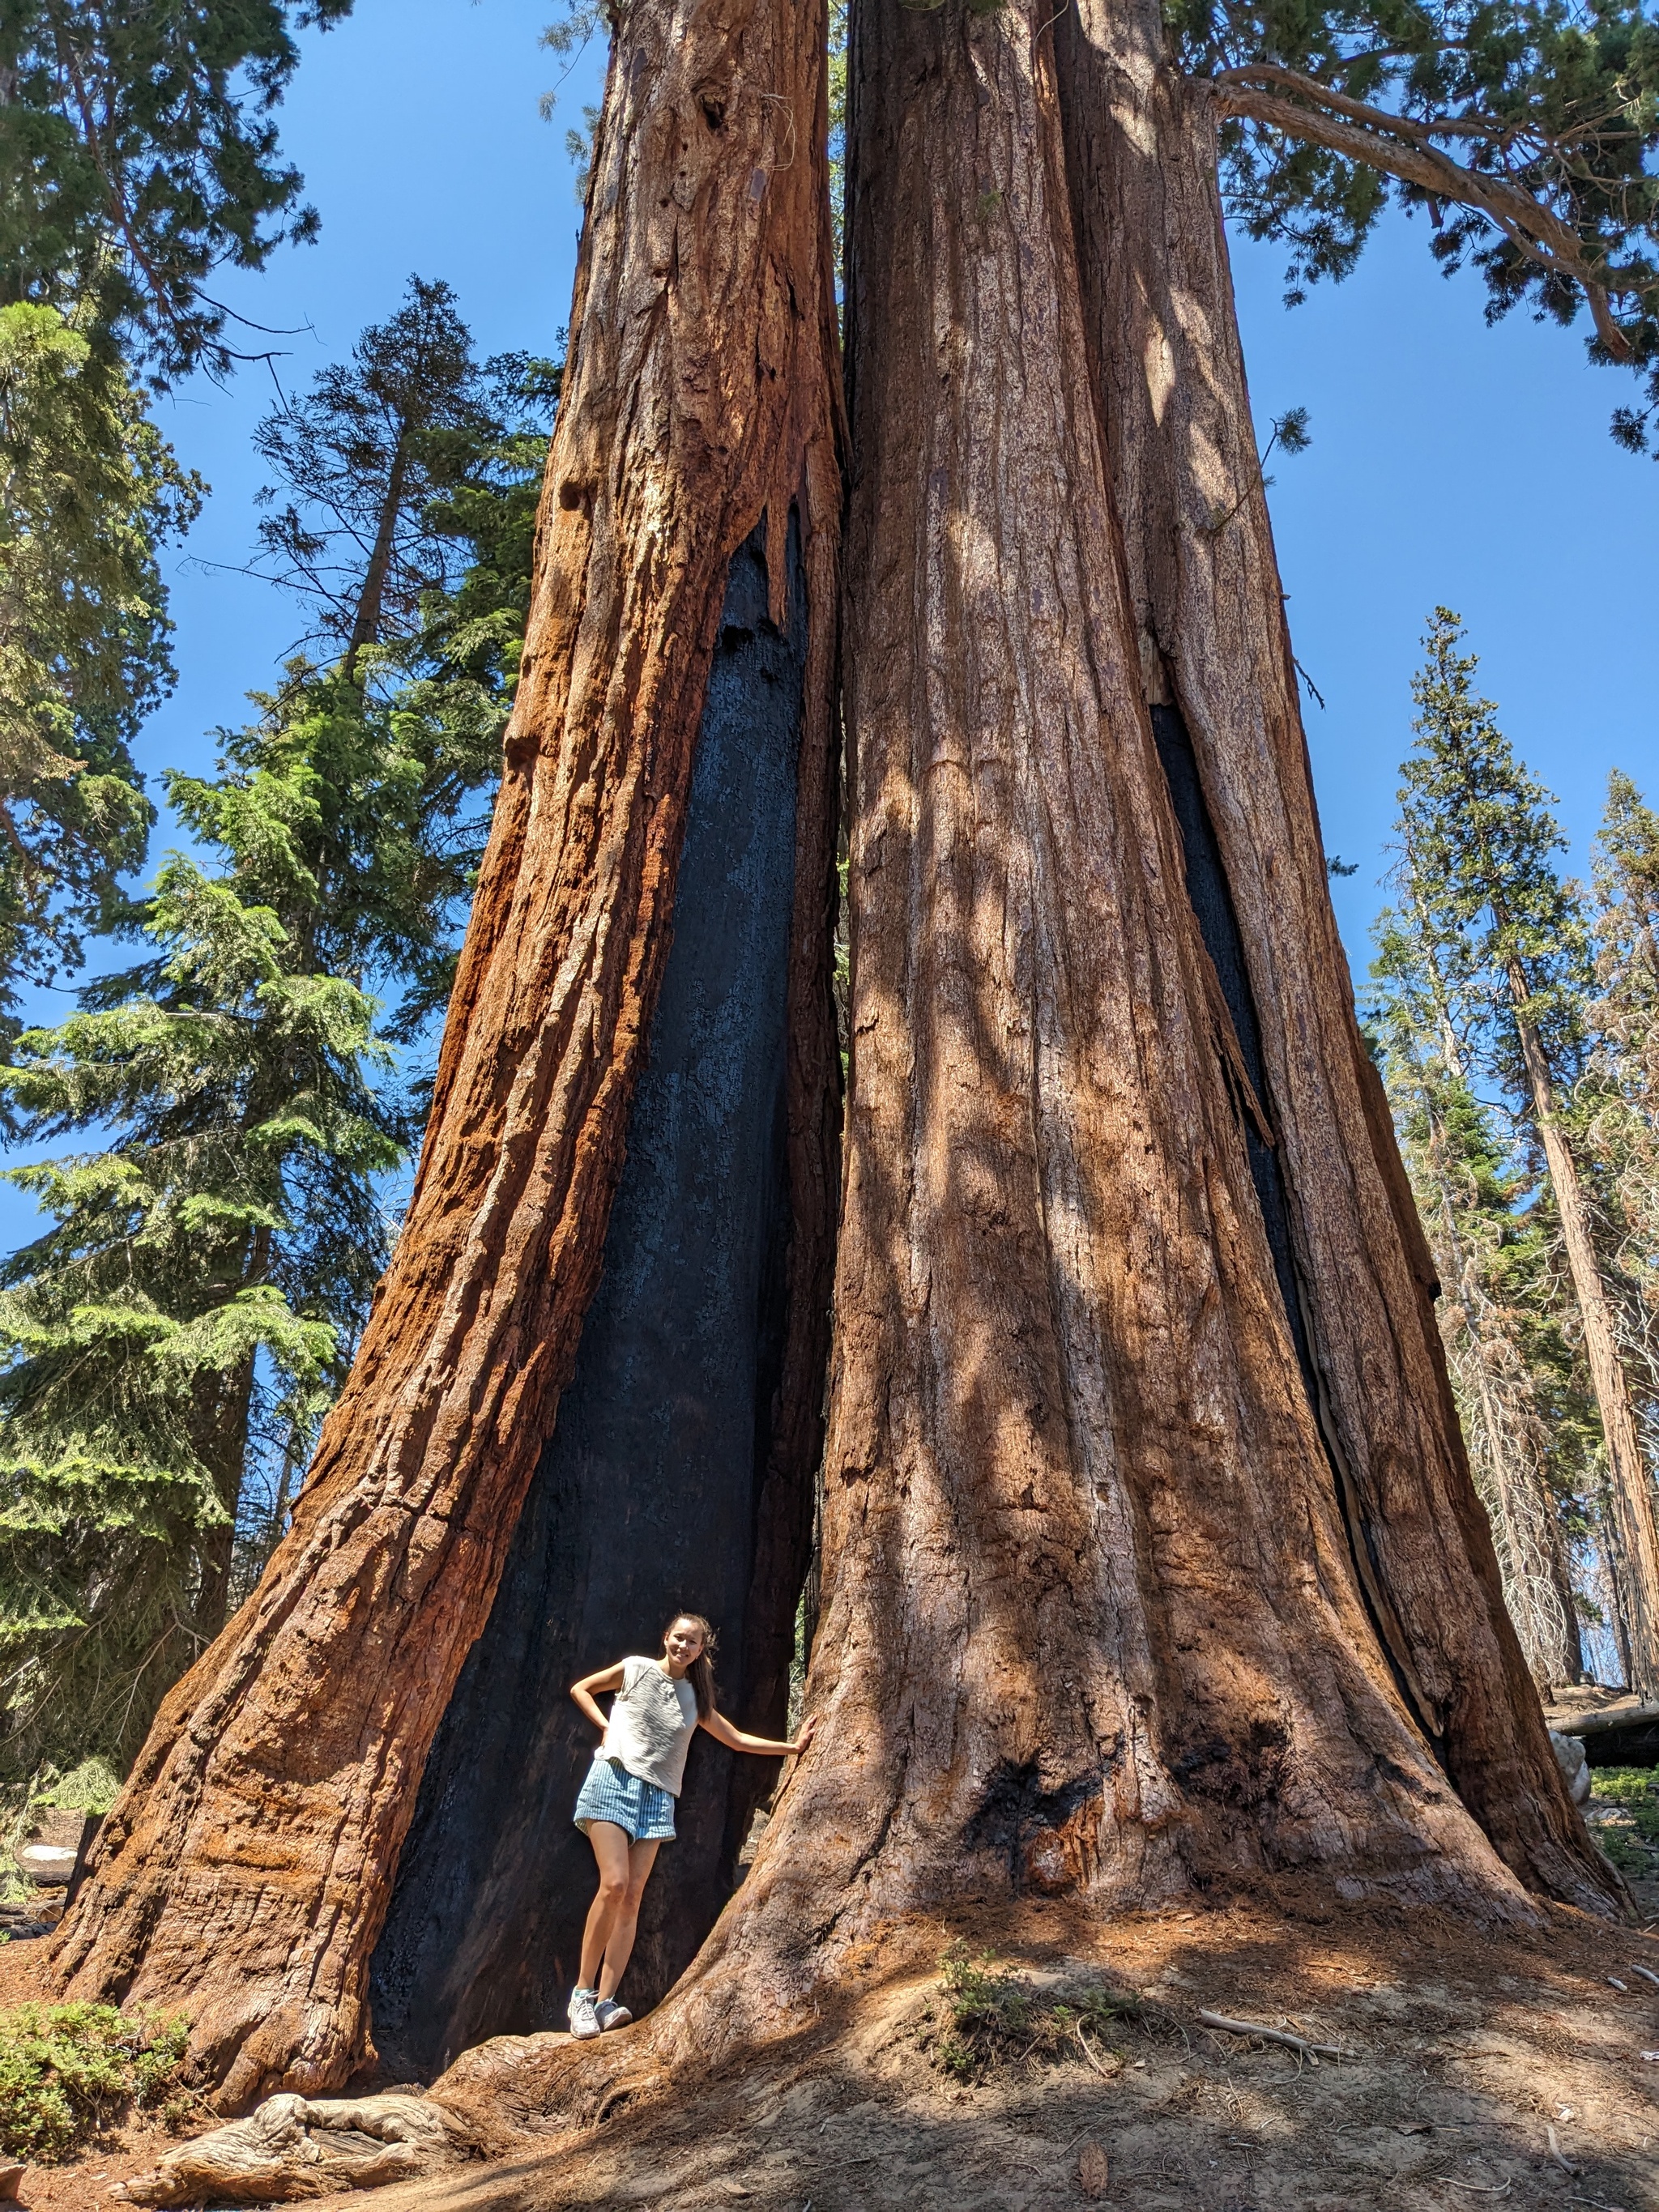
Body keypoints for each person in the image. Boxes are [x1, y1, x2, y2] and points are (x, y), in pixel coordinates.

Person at [565, 1611, 816, 2039]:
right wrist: (607, 1727)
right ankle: (581, 1996)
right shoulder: (635, 1669)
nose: (683, 1646)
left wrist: (792, 1747)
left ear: (701, 1650)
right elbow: (581, 1689)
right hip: (612, 1779)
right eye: (678, 1638)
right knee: (615, 1884)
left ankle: (606, 2001)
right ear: (666, 1637)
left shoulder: (695, 1700)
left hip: (658, 1797)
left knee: (632, 1899)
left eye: (692, 1642)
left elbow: (736, 1739)